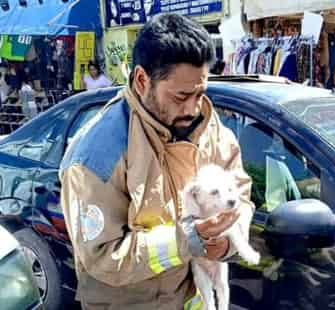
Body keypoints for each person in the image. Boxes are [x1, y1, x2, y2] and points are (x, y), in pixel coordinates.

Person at [59, 13, 254, 310]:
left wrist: (227, 244)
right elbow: (101, 257)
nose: (193, 107)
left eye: (201, 92)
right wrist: (187, 239)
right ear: (142, 80)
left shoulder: (210, 128)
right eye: (181, 96)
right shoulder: (97, 155)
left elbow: (239, 195)